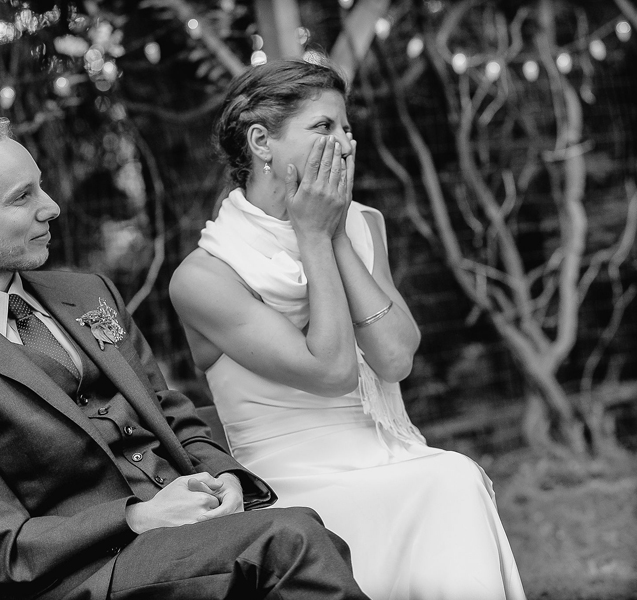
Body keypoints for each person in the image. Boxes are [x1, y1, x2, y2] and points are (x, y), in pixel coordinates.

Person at [0, 107, 368, 600]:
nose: (51, 208)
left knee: (312, 530)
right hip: (87, 576)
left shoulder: (88, 293)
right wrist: (140, 516)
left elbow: (172, 411)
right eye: (23, 198)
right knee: (292, 538)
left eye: (40, 186)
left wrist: (225, 475)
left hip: (194, 537)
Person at [169, 59, 527, 600]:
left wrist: (334, 233)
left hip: (384, 448)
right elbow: (333, 371)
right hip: (293, 479)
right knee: (446, 480)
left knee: (450, 476)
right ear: (262, 142)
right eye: (323, 128)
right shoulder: (203, 277)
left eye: (346, 127)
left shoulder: (362, 223)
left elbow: (394, 359)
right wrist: (313, 234)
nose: (345, 143)